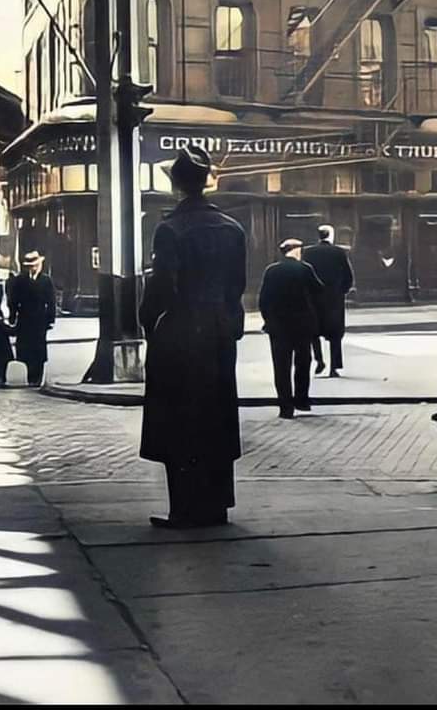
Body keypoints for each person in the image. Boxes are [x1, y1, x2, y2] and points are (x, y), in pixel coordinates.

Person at [139, 144, 247, 529]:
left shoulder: (170, 230)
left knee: (180, 421)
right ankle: (217, 505)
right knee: (216, 418)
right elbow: (238, 286)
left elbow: (162, 287)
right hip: (219, 334)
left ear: (176, 186)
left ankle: (184, 508)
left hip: (181, 333)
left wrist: (149, 322)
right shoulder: (233, 229)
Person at [258, 239, 324, 419]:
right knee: (303, 363)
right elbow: (319, 291)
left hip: (278, 326)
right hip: (302, 325)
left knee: (281, 367)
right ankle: (301, 400)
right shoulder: (305, 269)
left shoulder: (271, 271)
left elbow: (263, 300)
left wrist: (268, 320)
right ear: (295, 251)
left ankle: (285, 407)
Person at [303, 226, 354, 377]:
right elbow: (348, 275)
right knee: (335, 334)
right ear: (331, 235)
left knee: (313, 332)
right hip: (334, 300)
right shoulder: (339, 252)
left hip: (314, 298)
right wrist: (342, 291)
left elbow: (304, 273)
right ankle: (334, 367)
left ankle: (319, 360)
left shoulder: (308, 252)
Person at [8, 251, 55, 386]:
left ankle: (37, 377)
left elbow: (51, 301)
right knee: (26, 350)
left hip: (40, 320)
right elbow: (13, 300)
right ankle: (31, 375)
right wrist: (12, 317)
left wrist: (50, 320)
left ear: (40, 265)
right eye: (30, 266)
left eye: (35, 265)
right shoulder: (20, 280)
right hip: (25, 319)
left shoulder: (46, 281)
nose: (33, 268)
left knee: (39, 350)